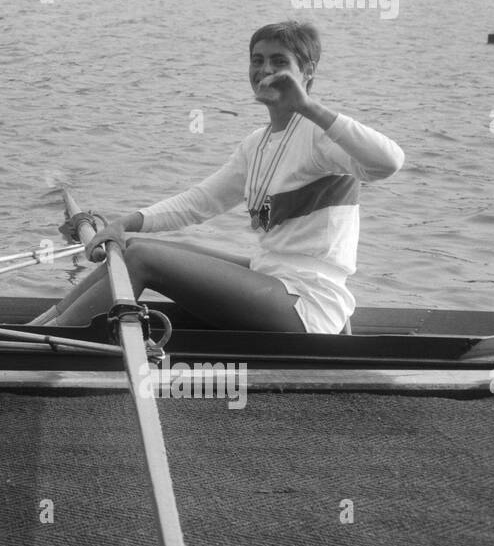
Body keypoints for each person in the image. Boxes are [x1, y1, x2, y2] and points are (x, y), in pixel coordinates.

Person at [35, 21, 404, 333]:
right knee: (130, 246)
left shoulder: (321, 135)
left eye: (280, 62)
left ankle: (49, 343)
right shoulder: (256, 144)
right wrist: (123, 223)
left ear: (307, 72)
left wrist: (307, 106)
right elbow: (198, 204)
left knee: (144, 259)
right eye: (257, 61)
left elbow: (389, 162)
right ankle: (39, 327)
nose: (265, 71)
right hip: (271, 276)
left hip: (309, 301)